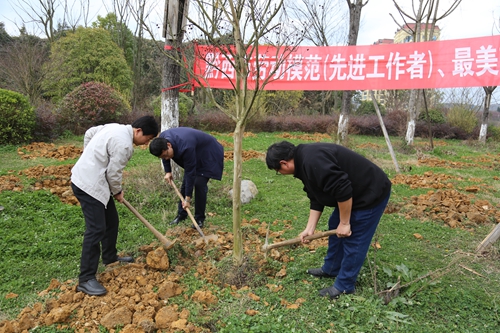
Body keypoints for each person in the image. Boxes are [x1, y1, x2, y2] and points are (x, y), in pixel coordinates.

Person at [266, 141, 391, 299]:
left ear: (284, 164)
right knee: (334, 225)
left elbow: (342, 188)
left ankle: (345, 286)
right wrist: (309, 228)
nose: (281, 173)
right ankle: (332, 268)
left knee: (354, 238)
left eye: (278, 171)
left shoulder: (312, 160)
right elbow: (315, 196)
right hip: (351, 194)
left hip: (369, 192)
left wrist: (345, 223)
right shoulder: (303, 162)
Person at [71, 116, 159, 296]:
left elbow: (90, 132)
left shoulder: (115, 127)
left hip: (95, 181)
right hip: (89, 185)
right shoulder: (124, 144)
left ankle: (110, 257)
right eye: (147, 139)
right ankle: (86, 279)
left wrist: (89, 156)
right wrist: (117, 190)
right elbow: (113, 173)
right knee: (96, 229)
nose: (145, 144)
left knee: (111, 220)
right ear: (138, 131)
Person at [149, 127, 224, 229]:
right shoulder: (162, 139)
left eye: (166, 155)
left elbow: (190, 173)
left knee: (199, 184)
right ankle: (182, 215)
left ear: (169, 145)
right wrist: (168, 171)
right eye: (162, 157)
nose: (166, 158)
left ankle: (199, 219)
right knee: (185, 185)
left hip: (209, 153)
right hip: (196, 150)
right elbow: (164, 155)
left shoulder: (186, 147)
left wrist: (188, 199)